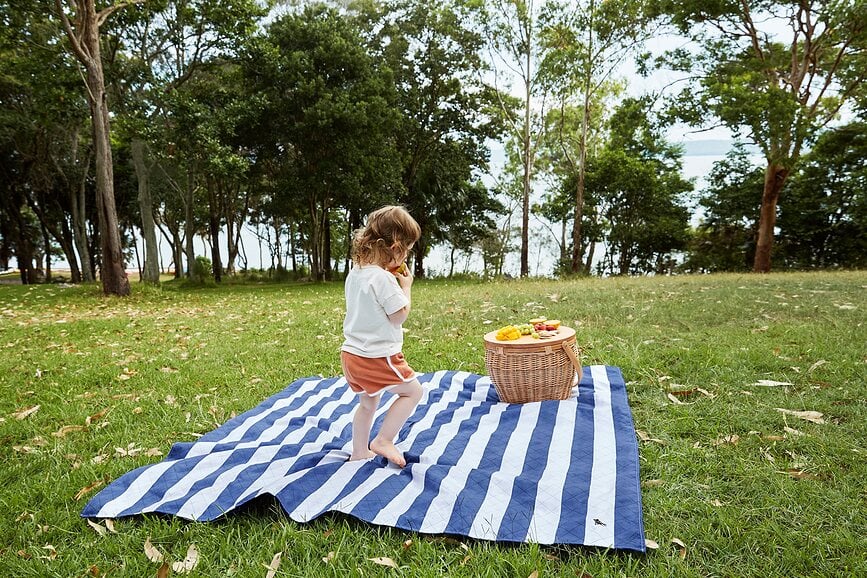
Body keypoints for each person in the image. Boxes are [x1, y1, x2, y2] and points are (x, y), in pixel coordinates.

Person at [341, 205, 422, 467]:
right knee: (413, 392)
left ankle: (359, 451)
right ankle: (383, 440)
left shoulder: (356, 273)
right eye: (407, 249)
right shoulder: (384, 280)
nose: (406, 255)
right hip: (377, 357)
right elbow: (399, 314)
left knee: (368, 404)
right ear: (396, 247)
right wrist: (406, 288)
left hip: (352, 356)